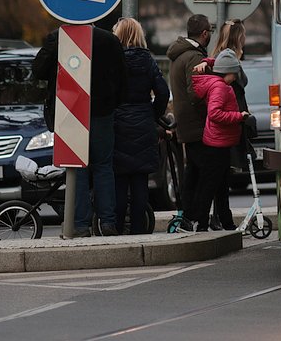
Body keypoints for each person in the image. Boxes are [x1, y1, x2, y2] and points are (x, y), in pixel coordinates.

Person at [33, 16, 127, 236]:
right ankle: (108, 223)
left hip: (70, 113)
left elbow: (38, 70)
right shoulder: (108, 40)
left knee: (77, 168)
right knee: (104, 167)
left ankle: (81, 225)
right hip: (102, 112)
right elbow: (123, 79)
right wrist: (112, 103)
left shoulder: (58, 38)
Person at [111, 18, 169, 235]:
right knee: (140, 180)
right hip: (144, 123)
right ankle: (139, 229)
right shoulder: (148, 60)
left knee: (119, 180)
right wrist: (153, 114)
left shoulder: (113, 61)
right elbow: (162, 92)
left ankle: (116, 229)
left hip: (118, 124)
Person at [184, 50, 249, 232]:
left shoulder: (216, 82)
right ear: (228, 72)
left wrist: (209, 62)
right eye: (234, 73)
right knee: (211, 185)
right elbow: (214, 113)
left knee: (218, 185)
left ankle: (223, 222)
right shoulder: (220, 87)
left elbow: (222, 63)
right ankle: (202, 223)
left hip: (218, 142)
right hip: (217, 144)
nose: (235, 77)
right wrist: (238, 116)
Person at [167, 14, 212, 228]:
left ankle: (188, 215)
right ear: (204, 34)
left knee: (193, 172)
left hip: (186, 124)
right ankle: (198, 218)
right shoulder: (194, 57)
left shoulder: (179, 56)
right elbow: (197, 93)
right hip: (198, 125)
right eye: (209, 32)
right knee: (206, 174)